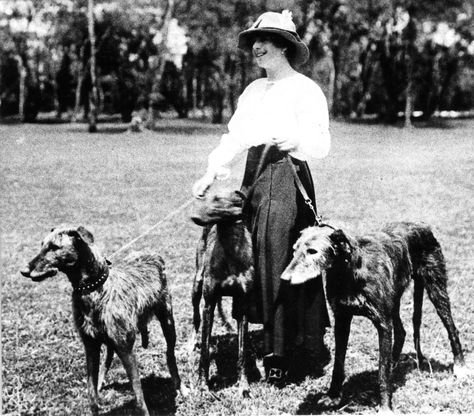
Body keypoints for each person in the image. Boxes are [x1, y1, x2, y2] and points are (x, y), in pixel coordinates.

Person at [192, 10, 331, 385]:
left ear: (284, 46)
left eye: (265, 39)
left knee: (276, 251)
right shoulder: (253, 91)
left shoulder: (305, 89)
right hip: (254, 176)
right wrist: (212, 169)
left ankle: (282, 351)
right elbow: (235, 137)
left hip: (287, 175)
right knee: (251, 254)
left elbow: (321, 143)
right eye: (254, 39)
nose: (257, 46)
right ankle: (269, 337)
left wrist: (296, 140)